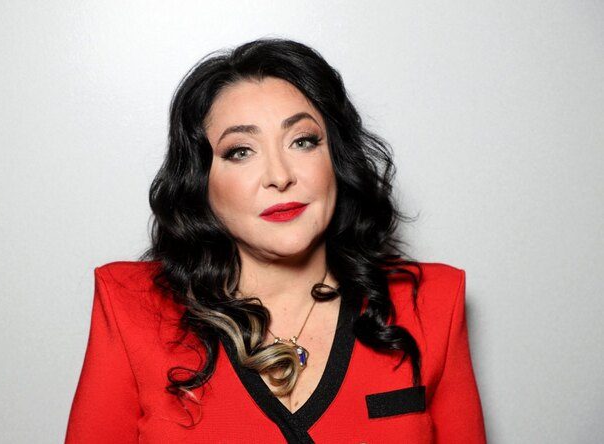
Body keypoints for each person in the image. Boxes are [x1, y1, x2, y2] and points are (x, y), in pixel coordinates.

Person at [65, 38, 486, 443]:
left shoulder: (433, 303)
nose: (280, 176)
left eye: (302, 141)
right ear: (200, 180)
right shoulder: (129, 306)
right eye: (240, 151)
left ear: (337, 159)